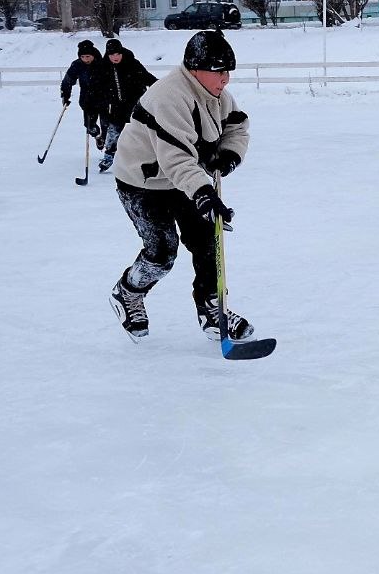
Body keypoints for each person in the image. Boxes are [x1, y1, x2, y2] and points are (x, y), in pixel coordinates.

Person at [108, 30, 255, 342]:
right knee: (162, 252)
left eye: (227, 70)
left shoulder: (215, 96)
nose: (225, 79)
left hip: (182, 180)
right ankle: (129, 291)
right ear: (194, 68)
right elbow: (176, 158)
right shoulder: (169, 98)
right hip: (142, 181)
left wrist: (228, 156)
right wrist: (203, 193)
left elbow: (238, 126)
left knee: (207, 238)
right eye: (218, 71)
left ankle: (212, 309)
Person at [97, 38, 157, 173]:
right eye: (112, 54)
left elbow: (147, 77)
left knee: (142, 130)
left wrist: (160, 87)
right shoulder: (104, 67)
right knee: (114, 131)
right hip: (117, 105)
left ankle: (149, 157)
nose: (115, 57)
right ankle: (108, 156)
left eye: (118, 54)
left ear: (122, 52)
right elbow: (98, 87)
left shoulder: (132, 63)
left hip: (136, 103)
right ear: (108, 54)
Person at [60, 40, 106, 143]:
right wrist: (65, 95)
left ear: (93, 55)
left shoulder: (102, 64)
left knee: (106, 126)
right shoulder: (77, 65)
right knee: (89, 125)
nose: (85, 59)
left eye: (88, 56)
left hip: (105, 99)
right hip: (87, 99)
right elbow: (68, 81)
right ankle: (98, 137)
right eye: (83, 57)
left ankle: (108, 146)